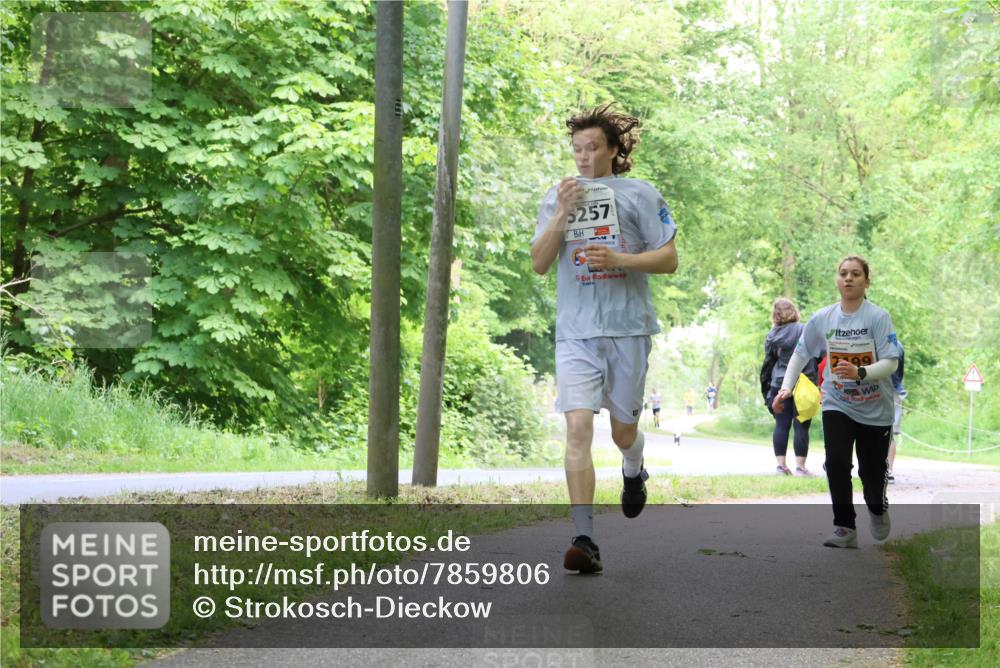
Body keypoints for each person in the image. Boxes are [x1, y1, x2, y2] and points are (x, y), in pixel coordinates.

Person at [530, 103, 679, 573]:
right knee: (577, 427)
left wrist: (620, 260)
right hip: (576, 333)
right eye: (577, 149)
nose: (584, 157)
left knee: (622, 432)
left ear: (615, 150)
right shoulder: (558, 196)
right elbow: (538, 263)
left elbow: (669, 259)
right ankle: (583, 537)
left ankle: (634, 467)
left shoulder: (640, 193)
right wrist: (563, 214)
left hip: (628, 328)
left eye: (593, 147)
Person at [772, 256, 900, 549]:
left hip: (875, 408)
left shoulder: (877, 317)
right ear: (837, 279)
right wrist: (785, 388)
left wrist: (861, 372)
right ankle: (845, 527)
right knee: (837, 462)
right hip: (837, 402)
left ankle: (877, 508)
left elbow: (891, 362)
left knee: (871, 473)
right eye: (843, 273)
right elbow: (801, 355)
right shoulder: (823, 318)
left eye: (856, 274)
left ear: (867, 281)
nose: (849, 278)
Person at [762, 298, 817, 476]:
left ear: (775, 315)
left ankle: (781, 466)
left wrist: (767, 390)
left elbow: (768, 363)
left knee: (781, 425)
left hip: (779, 384)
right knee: (802, 425)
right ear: (794, 311)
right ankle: (800, 467)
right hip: (804, 383)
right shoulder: (805, 329)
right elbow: (818, 355)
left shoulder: (772, 335)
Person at [887, 342, 906, 483]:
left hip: (882, 391)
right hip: (895, 391)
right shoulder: (898, 344)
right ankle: (888, 470)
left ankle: (885, 470)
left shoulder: (875, 342)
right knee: (890, 433)